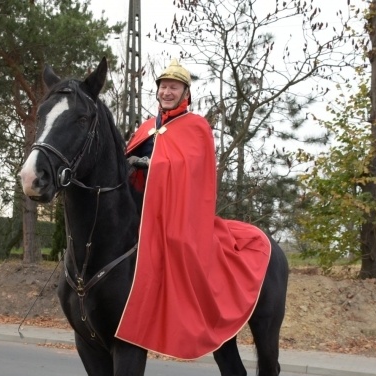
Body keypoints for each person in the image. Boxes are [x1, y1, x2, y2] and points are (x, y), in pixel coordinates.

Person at [115, 59, 272, 359]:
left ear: (185, 92)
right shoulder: (147, 127)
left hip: (176, 212)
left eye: (173, 87)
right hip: (140, 207)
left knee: (178, 245)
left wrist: (154, 165)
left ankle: (178, 312)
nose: (167, 92)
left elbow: (193, 172)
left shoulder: (196, 126)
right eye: (163, 86)